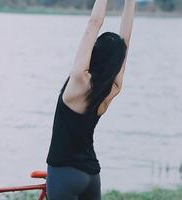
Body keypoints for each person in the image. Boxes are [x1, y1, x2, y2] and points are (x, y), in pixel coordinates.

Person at [46, 0, 136, 199]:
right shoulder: (111, 89)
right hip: (91, 175)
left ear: (95, 51)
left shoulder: (79, 81)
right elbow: (125, 42)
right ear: (117, 61)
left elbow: (94, 23)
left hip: (64, 174)